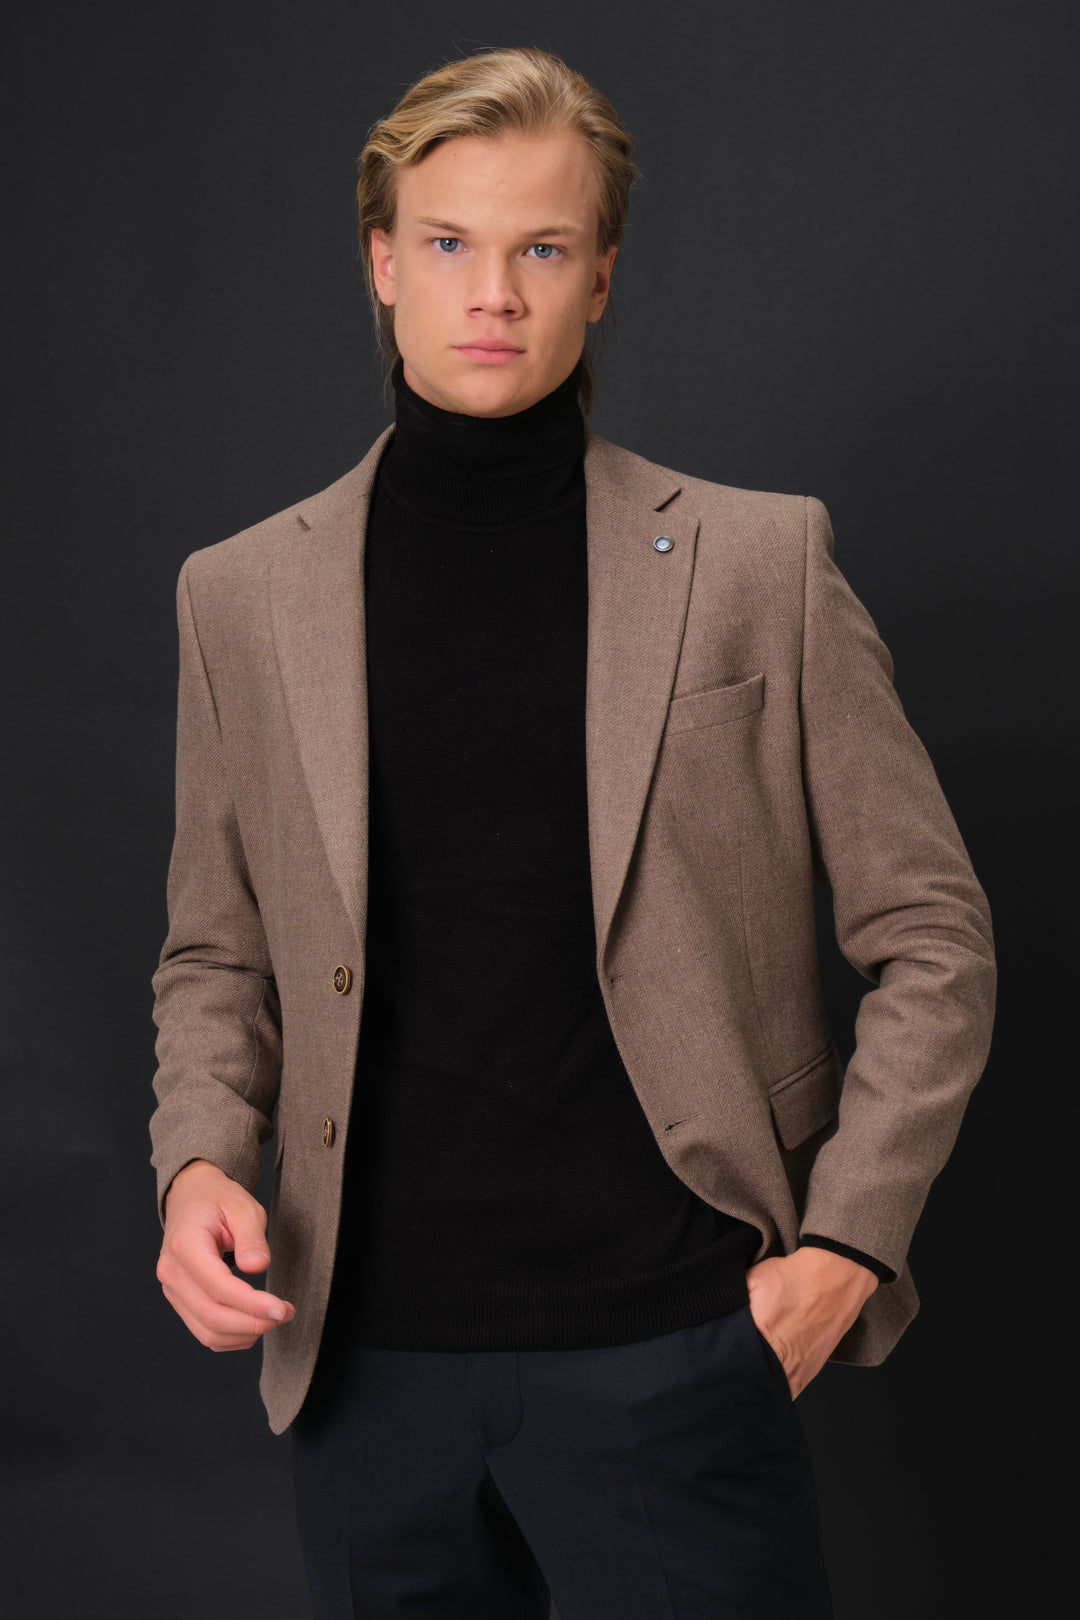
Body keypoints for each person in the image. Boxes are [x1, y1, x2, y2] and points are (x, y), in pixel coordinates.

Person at [149, 45, 996, 1619]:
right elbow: (217, 950)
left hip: (675, 1345)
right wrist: (196, 1158)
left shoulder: (760, 564)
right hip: (361, 1369)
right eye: (450, 244)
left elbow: (936, 938)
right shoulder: (242, 596)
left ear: (601, 275)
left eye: (542, 248)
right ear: (381, 264)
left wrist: (847, 1250)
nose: (495, 293)